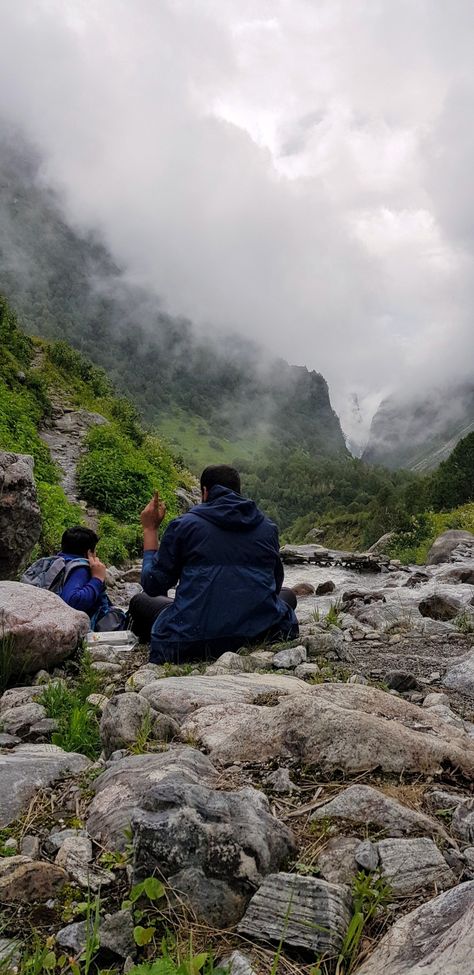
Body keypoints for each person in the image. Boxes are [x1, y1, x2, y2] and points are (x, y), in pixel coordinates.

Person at [129, 464, 298, 663]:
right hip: (259, 631)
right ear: (238, 493)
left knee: (139, 601)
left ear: (205, 492)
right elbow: (275, 585)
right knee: (288, 595)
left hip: (191, 639)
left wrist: (150, 530)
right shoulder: (267, 528)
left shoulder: (184, 525)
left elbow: (152, 584)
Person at [59, 526, 108, 620]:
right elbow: (71, 602)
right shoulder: (80, 569)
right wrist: (97, 579)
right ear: (89, 552)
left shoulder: (57, 562)